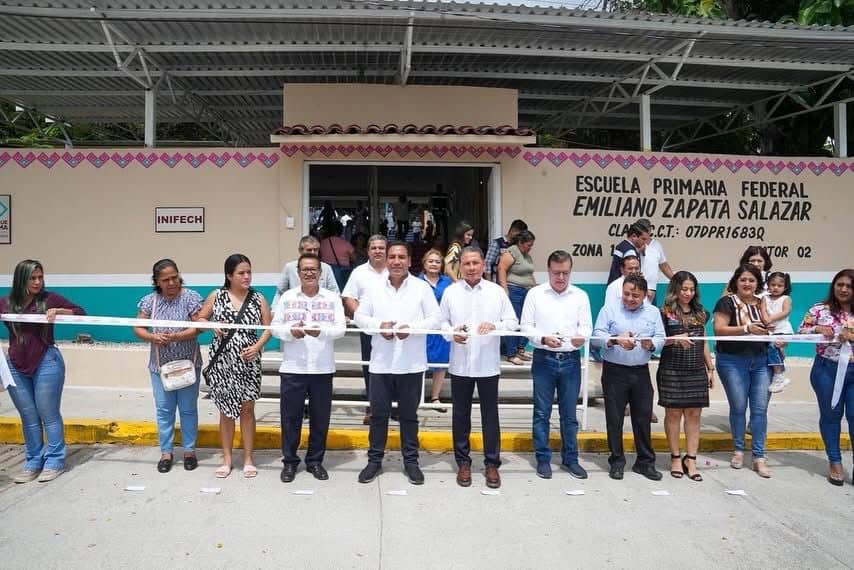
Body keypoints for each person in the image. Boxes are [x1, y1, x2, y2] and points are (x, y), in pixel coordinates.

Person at [354, 241, 440, 485]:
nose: (396, 261)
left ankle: (411, 462)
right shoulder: (374, 288)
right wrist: (377, 326)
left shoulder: (421, 288)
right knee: (379, 415)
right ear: (387, 260)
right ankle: (374, 461)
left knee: (409, 416)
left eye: (401, 257)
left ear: (410, 261)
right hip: (381, 363)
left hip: (410, 364)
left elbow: (435, 319)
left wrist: (412, 329)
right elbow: (360, 316)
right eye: (392, 256)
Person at [1, 260, 85, 484]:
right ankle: (33, 462)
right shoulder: (6, 303)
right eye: (32, 278)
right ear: (21, 279)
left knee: (48, 413)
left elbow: (80, 313)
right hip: (16, 364)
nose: (38, 282)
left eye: (40, 277)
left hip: (47, 360)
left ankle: (54, 461)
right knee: (28, 417)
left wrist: (60, 311)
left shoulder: (50, 299)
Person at [440, 247, 517, 488]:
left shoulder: (496, 292)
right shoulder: (451, 292)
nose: (471, 267)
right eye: (467, 263)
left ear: (483, 264)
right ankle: (463, 463)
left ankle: (492, 464)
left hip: (487, 365)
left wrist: (494, 326)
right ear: (460, 266)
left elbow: (512, 322)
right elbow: (441, 323)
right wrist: (452, 334)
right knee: (460, 416)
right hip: (461, 365)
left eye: (475, 263)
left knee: (490, 416)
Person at [196, 254, 272, 479]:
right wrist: (212, 325)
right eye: (241, 273)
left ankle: (248, 458)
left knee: (247, 410)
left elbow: (269, 328)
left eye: (249, 271)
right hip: (222, 362)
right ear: (229, 275)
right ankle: (227, 458)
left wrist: (257, 347)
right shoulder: (216, 296)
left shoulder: (258, 298)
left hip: (248, 362)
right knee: (226, 411)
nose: (247, 276)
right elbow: (200, 319)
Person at [272, 253, 346, 483]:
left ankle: (315, 462)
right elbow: (275, 327)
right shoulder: (287, 297)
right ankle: (290, 462)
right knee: (290, 418)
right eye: (305, 269)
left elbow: (341, 329)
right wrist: (289, 332)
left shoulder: (332, 298)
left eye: (314, 269)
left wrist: (321, 331)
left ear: (321, 273)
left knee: (320, 418)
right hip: (293, 367)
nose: (310, 273)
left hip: (322, 369)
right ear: (298, 272)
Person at [520, 250, 592, 480]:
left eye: (565, 273)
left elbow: (587, 326)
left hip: (570, 359)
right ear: (548, 271)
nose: (561, 277)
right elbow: (526, 327)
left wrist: (581, 337)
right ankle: (543, 458)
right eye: (556, 272)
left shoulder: (580, 296)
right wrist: (542, 338)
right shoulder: (535, 294)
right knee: (541, 413)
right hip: (544, 358)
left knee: (569, 414)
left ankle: (571, 459)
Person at [133, 259, 203, 474]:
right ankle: (166, 452)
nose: (172, 282)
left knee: (188, 409)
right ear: (157, 281)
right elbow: (138, 327)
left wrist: (177, 336)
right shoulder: (149, 301)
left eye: (175, 277)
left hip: (188, 364)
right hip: (160, 367)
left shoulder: (191, 297)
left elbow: (199, 326)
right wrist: (153, 337)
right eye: (166, 279)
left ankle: (189, 451)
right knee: (164, 410)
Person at [592, 274, 665, 481]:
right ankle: (616, 461)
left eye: (635, 295)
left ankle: (645, 463)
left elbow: (660, 336)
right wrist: (616, 340)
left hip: (641, 371)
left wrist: (652, 344)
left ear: (644, 295)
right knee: (614, 419)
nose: (630, 298)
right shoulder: (610, 309)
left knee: (643, 418)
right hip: (614, 371)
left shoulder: (652, 312)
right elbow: (597, 336)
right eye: (626, 294)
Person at [713, 264, 773, 478]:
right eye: (743, 280)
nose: (747, 284)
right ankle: (738, 450)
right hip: (732, 360)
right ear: (736, 282)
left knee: (759, 409)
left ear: (758, 283)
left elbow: (770, 325)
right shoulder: (726, 302)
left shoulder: (763, 302)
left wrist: (773, 332)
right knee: (738, 407)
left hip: (761, 360)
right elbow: (719, 330)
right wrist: (747, 329)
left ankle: (759, 456)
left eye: (752, 280)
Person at [656, 271, 714, 482]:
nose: (688, 293)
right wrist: (674, 339)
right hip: (672, 369)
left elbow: (705, 341)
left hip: (696, 369)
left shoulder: (701, 313)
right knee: (673, 414)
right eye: (684, 289)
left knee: (694, 415)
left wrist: (710, 368)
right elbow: (658, 341)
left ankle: (691, 459)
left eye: (691, 289)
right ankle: (675, 457)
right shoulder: (664, 312)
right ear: (675, 290)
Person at [798, 269, 853, 486]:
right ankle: (835, 461)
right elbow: (801, 332)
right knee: (831, 414)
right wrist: (818, 328)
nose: (843, 289)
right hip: (826, 370)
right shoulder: (819, 309)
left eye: (849, 286)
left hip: (853, 371)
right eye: (840, 284)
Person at [342, 234, 389, 425]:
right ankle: (373, 407)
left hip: (394, 329)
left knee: (395, 366)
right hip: (369, 329)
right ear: (368, 251)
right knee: (371, 368)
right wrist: (363, 318)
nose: (378, 251)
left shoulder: (395, 270)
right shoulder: (359, 272)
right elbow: (348, 297)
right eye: (374, 248)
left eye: (381, 247)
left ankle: (394, 407)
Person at [418, 249, 453, 412]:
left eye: (437, 262)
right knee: (418, 362)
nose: (434, 264)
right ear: (424, 263)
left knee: (440, 364)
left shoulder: (447, 282)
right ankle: (416, 398)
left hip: (440, 328)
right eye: (430, 261)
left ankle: (435, 397)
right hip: (421, 328)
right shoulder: (416, 282)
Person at [497, 230, 537, 365]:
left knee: (527, 320)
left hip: (527, 292)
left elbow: (530, 274)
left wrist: (535, 288)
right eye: (528, 245)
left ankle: (520, 349)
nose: (530, 248)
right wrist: (504, 290)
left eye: (532, 245)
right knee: (514, 321)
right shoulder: (511, 252)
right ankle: (511, 353)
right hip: (514, 291)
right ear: (520, 243)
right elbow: (501, 269)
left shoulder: (527, 256)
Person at [273, 235, 339, 306]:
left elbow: (334, 292)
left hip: (321, 308)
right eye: (309, 250)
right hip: (295, 307)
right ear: (300, 251)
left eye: (315, 250)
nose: (313, 253)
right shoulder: (290, 267)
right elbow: (280, 292)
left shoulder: (326, 268)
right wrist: (274, 310)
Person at [763, 272, 793, 393]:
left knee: (773, 347)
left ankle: (779, 375)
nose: (775, 287)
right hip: (769, 331)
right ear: (768, 285)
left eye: (779, 285)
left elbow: (785, 312)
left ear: (785, 287)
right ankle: (781, 374)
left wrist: (771, 319)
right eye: (773, 284)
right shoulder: (764, 298)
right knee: (773, 350)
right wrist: (766, 321)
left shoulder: (785, 298)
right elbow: (763, 311)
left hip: (782, 330)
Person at [636, 219, 674, 304]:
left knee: (652, 315)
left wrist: (675, 279)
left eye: (647, 229)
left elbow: (663, 264)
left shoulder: (657, 244)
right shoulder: (635, 244)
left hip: (652, 289)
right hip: (638, 288)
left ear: (650, 230)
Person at [320, 220, 354, 291]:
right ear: (341, 231)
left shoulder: (323, 243)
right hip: (343, 270)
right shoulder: (345, 243)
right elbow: (354, 258)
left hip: (325, 268)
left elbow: (319, 255)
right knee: (342, 290)